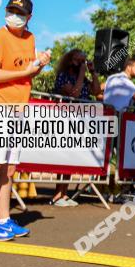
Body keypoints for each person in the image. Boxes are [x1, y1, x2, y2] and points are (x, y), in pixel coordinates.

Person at [0, 0, 50, 241]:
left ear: (29, 17)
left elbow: (26, 75)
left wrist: (39, 65)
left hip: (18, 110)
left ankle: (4, 219)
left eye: (20, 13)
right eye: (11, 11)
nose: (14, 16)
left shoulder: (30, 38)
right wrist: (25, 70)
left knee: (8, 169)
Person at [50, 49, 102, 206]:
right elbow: (74, 94)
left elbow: (97, 91)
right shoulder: (63, 76)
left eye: (83, 61)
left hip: (81, 120)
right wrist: (81, 73)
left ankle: (64, 194)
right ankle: (57, 194)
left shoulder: (83, 78)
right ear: (70, 60)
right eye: (78, 60)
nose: (81, 64)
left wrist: (93, 73)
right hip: (65, 119)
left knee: (71, 156)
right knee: (63, 156)